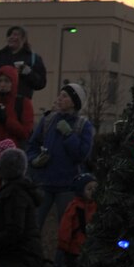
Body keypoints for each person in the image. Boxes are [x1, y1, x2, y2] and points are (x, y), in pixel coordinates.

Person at [27, 82, 95, 253]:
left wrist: (69, 135)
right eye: (60, 94)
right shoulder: (48, 120)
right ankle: (31, 261)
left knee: (66, 230)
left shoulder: (83, 126)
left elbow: (81, 155)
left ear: (74, 102)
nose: (59, 98)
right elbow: (32, 146)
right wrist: (34, 160)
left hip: (67, 186)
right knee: (33, 227)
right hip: (44, 183)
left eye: (65, 96)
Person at [0, 25, 48, 99]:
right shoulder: (0, 55)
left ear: (24, 38)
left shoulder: (33, 58)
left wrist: (28, 72)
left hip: (20, 101)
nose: (11, 37)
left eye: (15, 34)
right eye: (9, 35)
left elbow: (41, 84)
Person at [56, 175, 98, 267]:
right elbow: (66, 226)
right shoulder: (75, 207)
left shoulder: (97, 206)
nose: (93, 192)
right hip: (76, 246)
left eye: (95, 189)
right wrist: (64, 243)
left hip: (92, 246)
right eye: (89, 189)